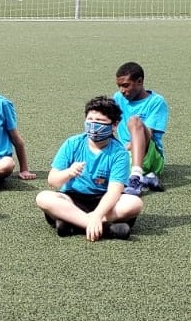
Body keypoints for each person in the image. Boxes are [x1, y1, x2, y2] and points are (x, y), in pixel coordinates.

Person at [35, 95, 143, 241]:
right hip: (72, 199)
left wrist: (98, 215)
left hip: (104, 203)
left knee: (134, 203)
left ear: (114, 125)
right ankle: (105, 228)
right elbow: (53, 180)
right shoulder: (72, 143)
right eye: (90, 120)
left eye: (100, 121)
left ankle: (73, 224)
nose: (93, 125)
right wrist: (69, 173)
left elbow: (114, 192)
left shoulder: (119, 153)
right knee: (43, 197)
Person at [113, 61, 168, 195]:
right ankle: (147, 179)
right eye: (119, 86)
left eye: (126, 85)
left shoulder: (156, 102)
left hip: (150, 156)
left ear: (139, 81)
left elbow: (148, 132)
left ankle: (136, 177)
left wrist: (125, 147)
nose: (122, 90)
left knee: (135, 121)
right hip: (125, 153)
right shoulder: (118, 98)